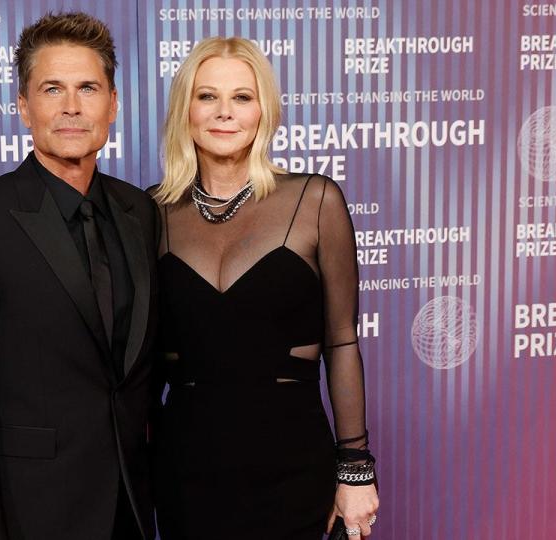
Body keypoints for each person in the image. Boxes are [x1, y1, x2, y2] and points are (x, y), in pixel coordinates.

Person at [0, 12, 160, 540]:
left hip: (131, 507)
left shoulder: (139, 211)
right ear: (24, 107)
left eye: (88, 88)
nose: (72, 107)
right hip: (31, 513)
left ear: (113, 104)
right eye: (52, 89)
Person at [150, 37, 380, 539]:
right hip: (185, 468)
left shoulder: (315, 201)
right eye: (207, 96)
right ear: (185, 110)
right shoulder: (150, 214)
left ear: (264, 111)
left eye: (242, 97)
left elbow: (341, 343)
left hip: (292, 463)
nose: (224, 113)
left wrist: (356, 469)